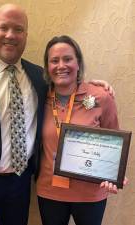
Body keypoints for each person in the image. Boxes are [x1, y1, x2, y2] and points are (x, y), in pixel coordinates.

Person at [0, 3, 114, 225]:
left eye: (18, 29)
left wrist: (97, 87)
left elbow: (67, 88)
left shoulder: (38, 76)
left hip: (18, 185)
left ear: (25, 35)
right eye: (4, 27)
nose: (11, 35)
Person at [36, 35, 128, 225]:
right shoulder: (37, 97)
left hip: (90, 194)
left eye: (68, 59)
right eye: (54, 60)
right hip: (50, 191)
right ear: (47, 67)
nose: (61, 65)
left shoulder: (101, 97)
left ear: (78, 63)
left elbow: (113, 143)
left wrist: (112, 174)